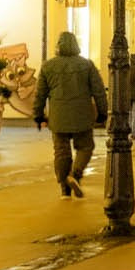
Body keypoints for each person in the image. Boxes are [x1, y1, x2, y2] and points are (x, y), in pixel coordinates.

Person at [33, 31, 107, 198]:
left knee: (61, 151)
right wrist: (102, 112)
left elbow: (40, 94)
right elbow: (99, 91)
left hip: (58, 116)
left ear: (58, 46)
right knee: (85, 147)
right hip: (82, 115)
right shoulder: (87, 65)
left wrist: (38, 115)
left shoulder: (48, 66)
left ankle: (64, 189)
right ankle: (75, 174)